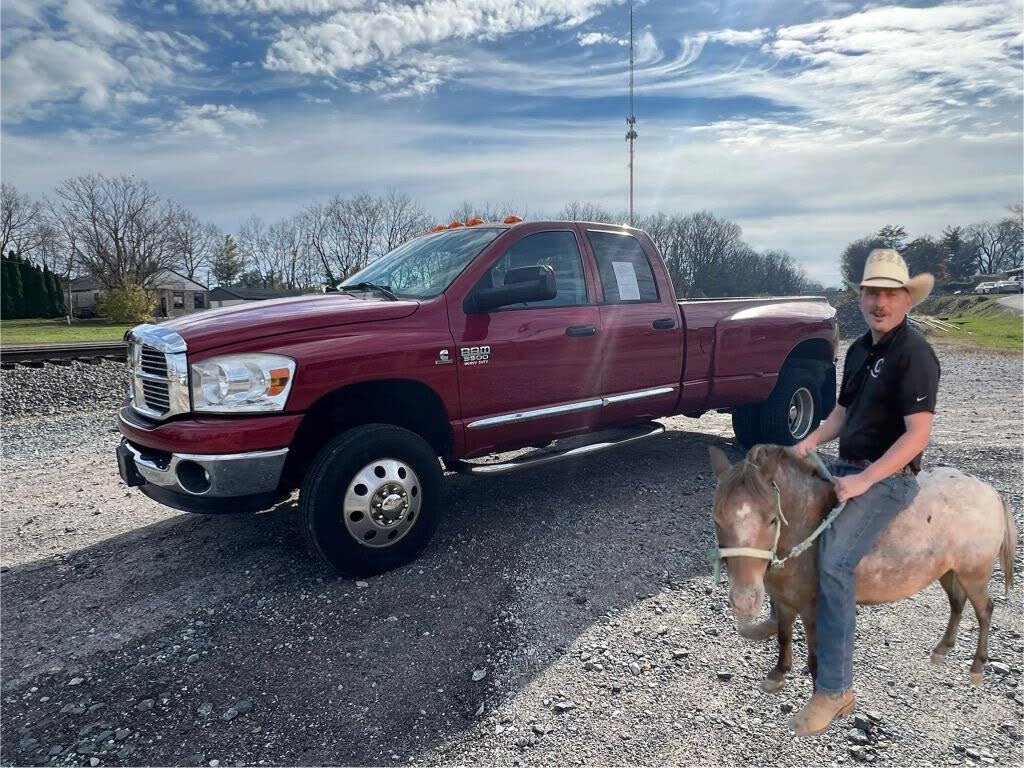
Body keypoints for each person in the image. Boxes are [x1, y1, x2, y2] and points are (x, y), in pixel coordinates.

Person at [788, 248, 939, 736]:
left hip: (889, 478)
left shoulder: (914, 354)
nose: (879, 302)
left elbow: (917, 436)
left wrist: (865, 480)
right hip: (847, 465)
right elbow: (842, 415)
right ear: (862, 298)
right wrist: (809, 442)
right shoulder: (858, 350)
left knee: (834, 561)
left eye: (889, 294)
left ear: (906, 300)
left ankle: (835, 689)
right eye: (872, 292)